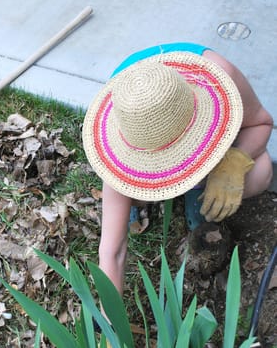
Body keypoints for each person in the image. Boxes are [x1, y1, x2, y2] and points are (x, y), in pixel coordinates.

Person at [82, 42, 273, 295]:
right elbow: (111, 251)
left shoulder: (222, 77)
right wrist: (109, 321)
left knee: (260, 173)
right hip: (138, 112)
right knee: (127, 197)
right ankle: (135, 203)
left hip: (185, 96)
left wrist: (234, 162)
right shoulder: (130, 124)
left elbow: (261, 122)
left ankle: (198, 188)